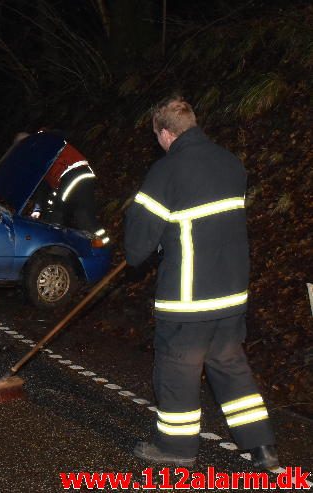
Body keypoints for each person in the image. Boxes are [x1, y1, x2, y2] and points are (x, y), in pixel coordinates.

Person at [124, 96, 277, 469]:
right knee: (229, 365)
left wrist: (156, 240)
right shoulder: (231, 164)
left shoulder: (166, 171)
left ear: (164, 133)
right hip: (231, 293)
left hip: (190, 299)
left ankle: (176, 449)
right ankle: (262, 446)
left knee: (177, 370)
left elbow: (137, 246)